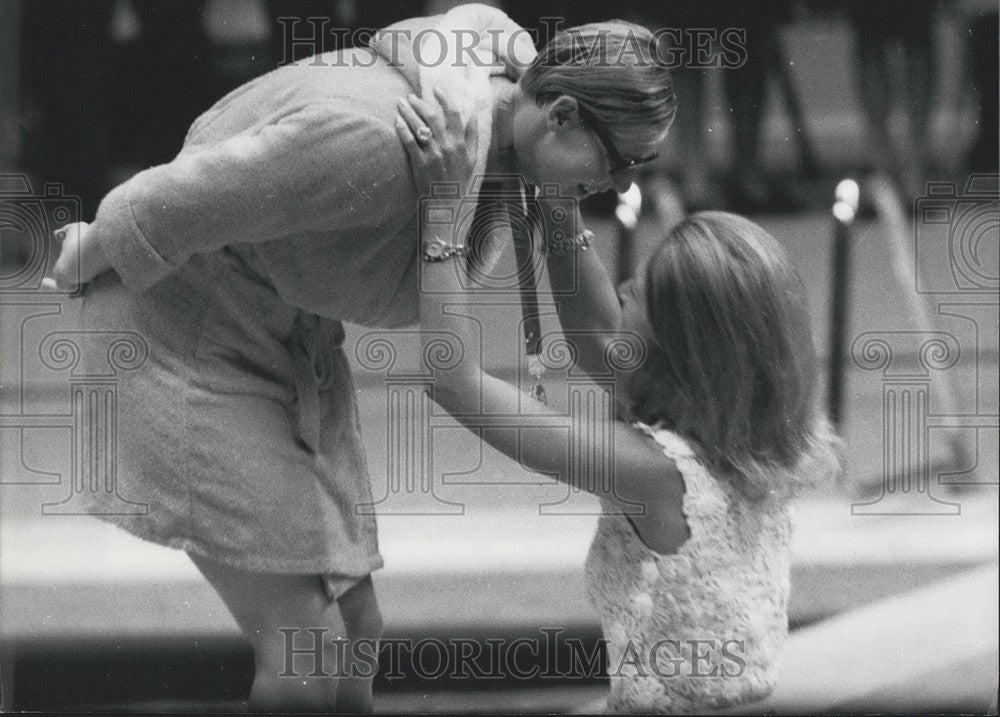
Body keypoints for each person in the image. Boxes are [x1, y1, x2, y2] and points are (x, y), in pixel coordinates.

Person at [47, 6, 675, 711]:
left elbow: (605, 351)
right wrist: (88, 250)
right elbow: (179, 195)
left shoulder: (501, 144)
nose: (623, 184)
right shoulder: (385, 140)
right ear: (560, 114)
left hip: (280, 336)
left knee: (356, 634)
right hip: (178, 336)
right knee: (305, 659)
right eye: (624, 160)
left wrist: (560, 202)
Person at [397, 84, 841, 712]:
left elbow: (454, 381)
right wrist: (556, 190)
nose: (622, 287)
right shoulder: (747, 436)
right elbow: (601, 338)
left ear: (675, 346)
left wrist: (440, 208)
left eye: (639, 295)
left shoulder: (657, 473)